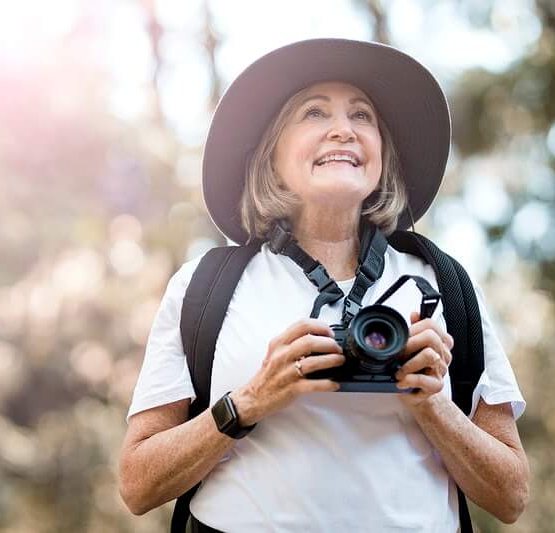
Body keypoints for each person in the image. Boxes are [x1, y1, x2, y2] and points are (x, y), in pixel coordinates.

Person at [118, 38, 529, 532]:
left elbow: (511, 496)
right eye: (314, 114)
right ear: (271, 157)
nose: (343, 130)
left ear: (381, 155)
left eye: (363, 116)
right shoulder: (205, 286)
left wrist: (433, 404)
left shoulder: (443, 284)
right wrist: (250, 400)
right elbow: (138, 485)